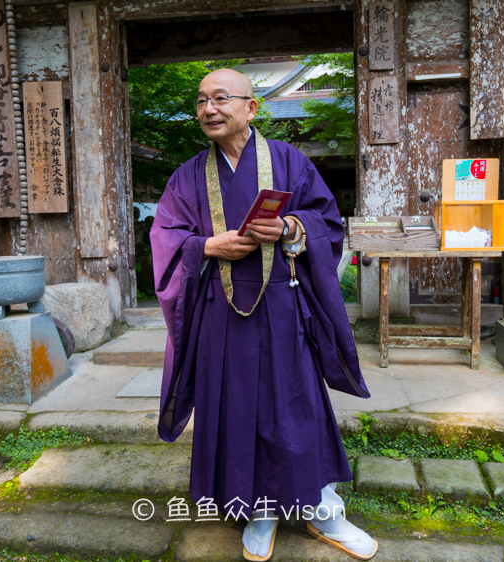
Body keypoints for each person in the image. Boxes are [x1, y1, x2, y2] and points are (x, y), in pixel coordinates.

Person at [152, 69, 376, 561]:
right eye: (201, 101)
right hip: (220, 315)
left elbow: (325, 220)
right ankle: (259, 511)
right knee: (234, 411)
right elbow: (165, 237)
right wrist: (208, 244)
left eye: (221, 98)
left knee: (296, 408)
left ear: (251, 108)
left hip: (280, 306)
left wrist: (293, 227)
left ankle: (324, 510)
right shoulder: (188, 175)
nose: (209, 109)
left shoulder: (289, 161)